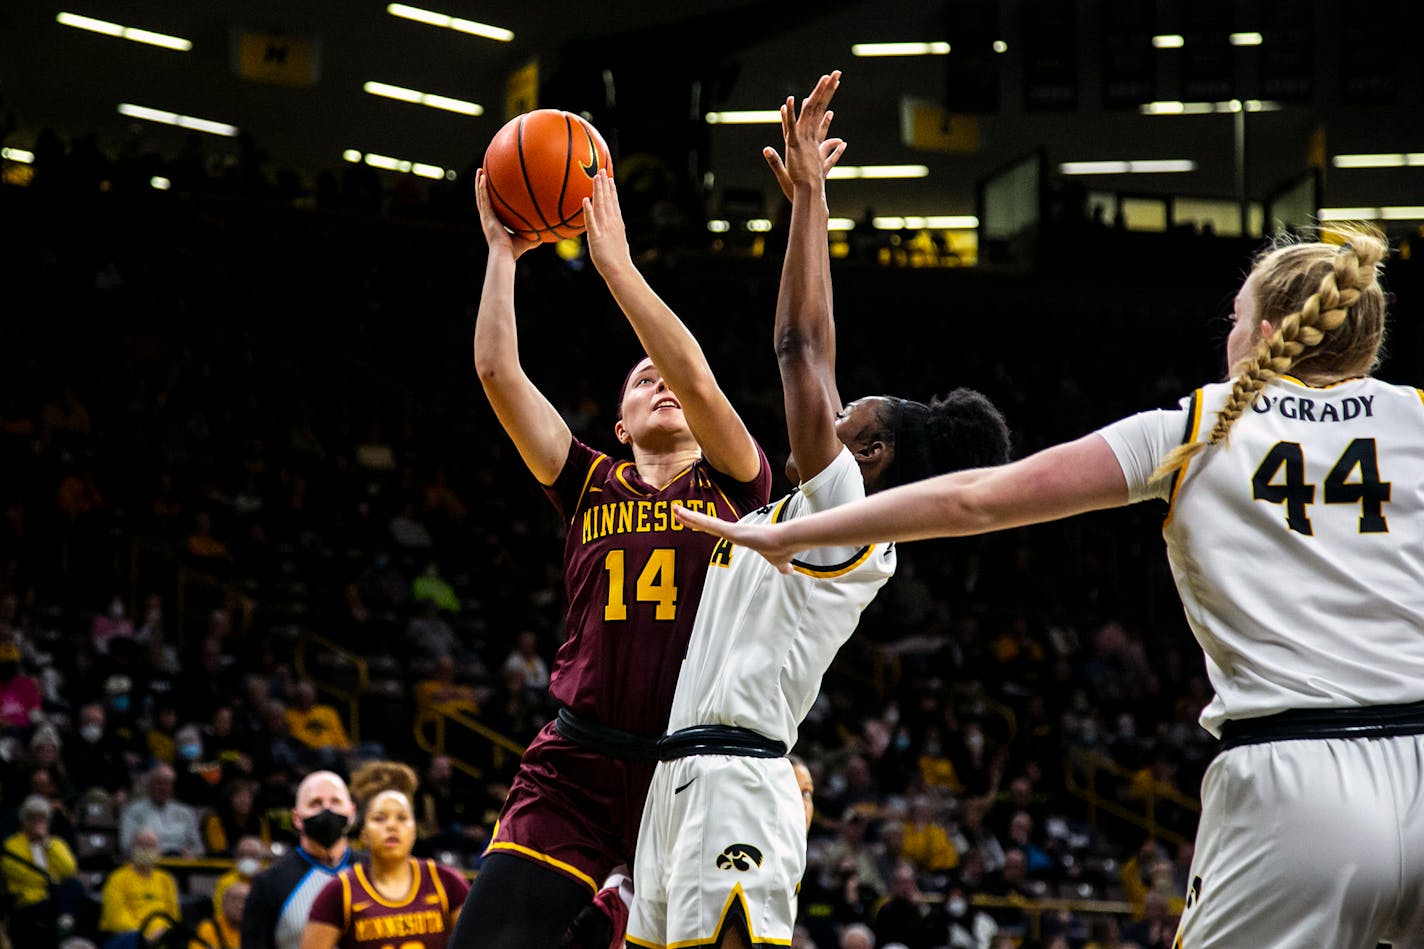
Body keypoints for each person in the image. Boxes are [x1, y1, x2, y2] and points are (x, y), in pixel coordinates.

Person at [679, 226, 1424, 947]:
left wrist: (785, 533)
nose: (1226, 336)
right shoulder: (1415, 417)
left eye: (1233, 320)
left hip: (1296, 780)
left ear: (1264, 336)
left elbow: (977, 497)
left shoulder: (1199, 425)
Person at [626, 71, 1008, 949]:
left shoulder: (854, 517)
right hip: (679, 773)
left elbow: (801, 346)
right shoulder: (803, 507)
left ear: (870, 456)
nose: (826, 424)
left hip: (736, 776)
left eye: (847, 421)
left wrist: (809, 199)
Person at [447, 102, 774, 949]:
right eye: (640, 381)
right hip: (576, 764)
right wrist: (500, 256)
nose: (660, 383)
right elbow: (495, 370)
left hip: (690, 770)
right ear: (620, 425)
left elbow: (695, 373)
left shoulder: (737, 481)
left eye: (666, 376)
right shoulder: (590, 479)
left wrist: (616, 266)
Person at [300, 761, 469, 949]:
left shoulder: (447, 882)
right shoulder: (340, 891)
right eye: (379, 818)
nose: (391, 826)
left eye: (402, 818)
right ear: (364, 833)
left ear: (414, 828)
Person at [242, 770, 357, 949]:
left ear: (352, 813)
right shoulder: (268, 883)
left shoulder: (374, 871)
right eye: (315, 803)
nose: (327, 810)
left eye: (335, 802)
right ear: (296, 818)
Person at [2, 794, 82, 944]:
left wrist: (47, 845)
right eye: (33, 818)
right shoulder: (12, 845)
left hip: (55, 896)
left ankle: (65, 922)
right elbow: (21, 874)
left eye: (42, 819)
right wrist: (50, 880)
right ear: (24, 821)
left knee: (74, 885)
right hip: (29, 900)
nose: (38, 823)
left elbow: (69, 869)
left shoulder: (55, 844)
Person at [99, 828, 181, 945]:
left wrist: (163, 932)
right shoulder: (117, 878)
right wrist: (144, 936)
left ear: (158, 850)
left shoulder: (166, 879)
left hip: (161, 937)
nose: (146, 850)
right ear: (132, 848)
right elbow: (115, 917)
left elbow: (174, 916)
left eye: (150, 846)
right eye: (141, 845)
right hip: (128, 938)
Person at [118, 764, 202, 857]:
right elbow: (126, 846)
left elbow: (198, 848)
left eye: (167, 784)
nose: (163, 788)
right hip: (149, 863)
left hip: (182, 863)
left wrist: (191, 853)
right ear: (149, 785)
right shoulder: (133, 810)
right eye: (158, 783)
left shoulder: (185, 812)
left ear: (172, 788)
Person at [195, 880, 249, 949]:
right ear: (224, 903)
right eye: (235, 900)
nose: (240, 906)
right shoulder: (209, 928)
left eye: (245, 900)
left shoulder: (259, 929)